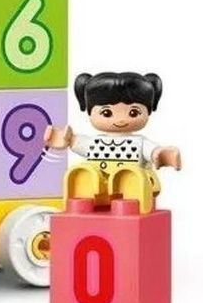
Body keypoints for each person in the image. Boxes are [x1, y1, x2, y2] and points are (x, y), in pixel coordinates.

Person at [45, 71, 181, 212]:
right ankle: (84, 203)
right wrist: (67, 139)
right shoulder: (95, 142)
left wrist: (161, 154)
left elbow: (152, 151)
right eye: (107, 113)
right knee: (84, 173)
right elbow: (76, 142)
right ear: (90, 111)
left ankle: (129, 205)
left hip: (129, 183)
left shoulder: (140, 143)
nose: (120, 120)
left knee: (133, 178)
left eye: (133, 113)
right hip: (98, 186)